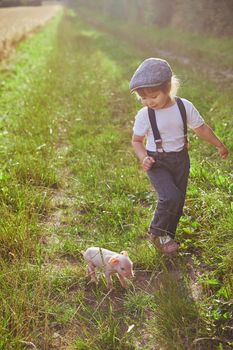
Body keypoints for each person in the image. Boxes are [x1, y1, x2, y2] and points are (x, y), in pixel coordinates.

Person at [130, 58, 229, 254]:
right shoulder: (145, 115)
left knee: (178, 200)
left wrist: (219, 145)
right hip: (156, 161)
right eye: (143, 98)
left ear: (168, 88)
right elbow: (136, 140)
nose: (149, 102)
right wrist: (144, 158)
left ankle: (168, 236)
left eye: (154, 96)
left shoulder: (184, 107)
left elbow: (201, 129)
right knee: (170, 196)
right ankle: (156, 233)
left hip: (181, 160)